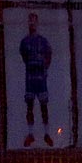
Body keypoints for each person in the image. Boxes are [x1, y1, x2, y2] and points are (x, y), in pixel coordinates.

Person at [18, 12, 54, 147]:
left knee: (44, 106)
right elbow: (23, 57)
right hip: (30, 78)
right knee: (30, 106)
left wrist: (45, 68)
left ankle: (47, 134)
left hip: (40, 78)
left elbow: (49, 55)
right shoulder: (24, 41)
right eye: (30, 21)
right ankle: (31, 134)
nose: (32, 23)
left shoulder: (43, 41)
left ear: (37, 23)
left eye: (34, 21)